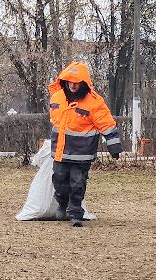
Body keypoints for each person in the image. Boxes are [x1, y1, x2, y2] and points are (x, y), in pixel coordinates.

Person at [47, 61, 121, 226]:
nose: (73, 85)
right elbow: (55, 121)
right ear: (65, 81)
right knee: (59, 180)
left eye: (76, 82)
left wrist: (114, 146)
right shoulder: (57, 97)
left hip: (82, 153)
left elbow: (107, 124)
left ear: (84, 83)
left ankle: (75, 214)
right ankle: (63, 204)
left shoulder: (94, 102)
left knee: (77, 183)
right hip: (60, 150)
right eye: (70, 82)